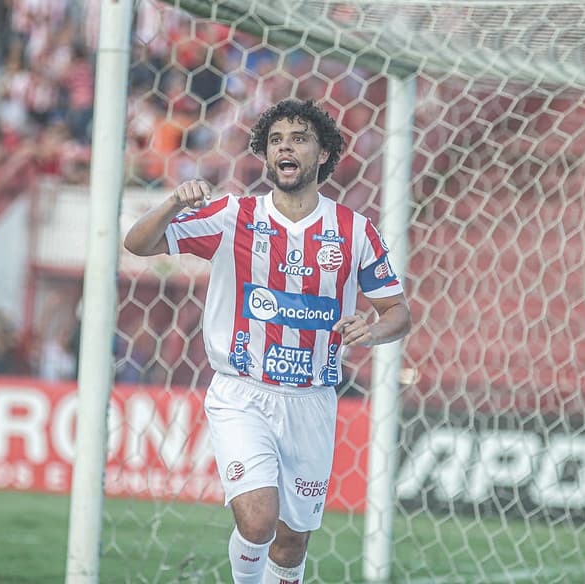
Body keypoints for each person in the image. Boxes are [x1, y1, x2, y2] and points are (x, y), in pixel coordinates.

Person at [124, 98, 411, 584]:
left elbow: (398, 314)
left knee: (293, 537)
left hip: (312, 400)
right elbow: (138, 243)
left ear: (321, 154)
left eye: (298, 138)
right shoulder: (231, 215)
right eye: (276, 139)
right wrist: (173, 202)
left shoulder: (355, 231)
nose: (285, 147)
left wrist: (372, 329)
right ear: (265, 153)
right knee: (257, 519)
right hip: (242, 392)